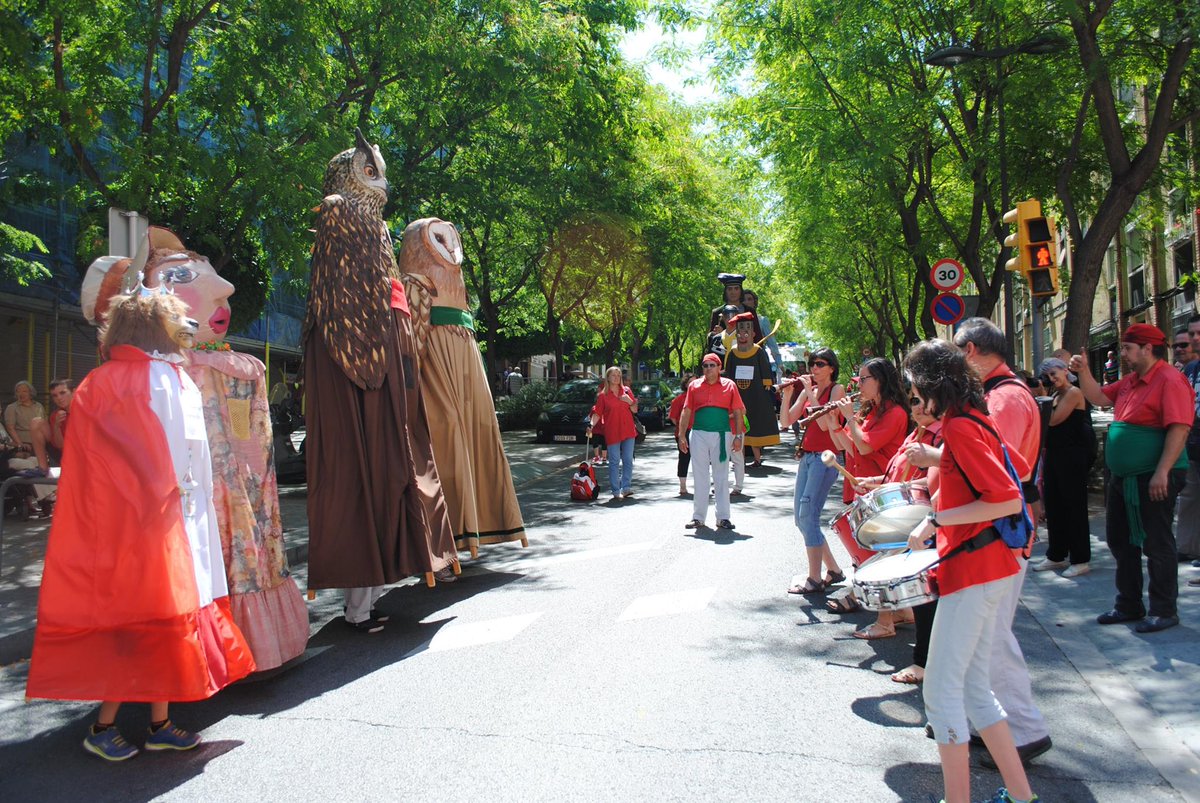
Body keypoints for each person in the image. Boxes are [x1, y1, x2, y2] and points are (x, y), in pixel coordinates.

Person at [25, 288, 256, 761]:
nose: (188, 329)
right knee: (146, 623)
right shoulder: (154, 379)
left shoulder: (112, 380)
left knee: (163, 624)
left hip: (142, 520)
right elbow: (162, 455)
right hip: (155, 522)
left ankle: (158, 722)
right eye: (178, 323)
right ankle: (106, 725)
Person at [903, 339, 1038, 803]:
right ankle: (1022, 796)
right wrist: (936, 510)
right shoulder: (977, 420)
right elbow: (1016, 470)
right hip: (993, 565)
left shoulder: (960, 427)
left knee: (941, 697)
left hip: (974, 570)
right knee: (977, 690)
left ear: (933, 385)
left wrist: (938, 519)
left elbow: (1003, 496)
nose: (914, 398)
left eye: (916, 389)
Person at [949, 317, 1051, 768]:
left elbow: (997, 468)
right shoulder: (999, 394)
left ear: (970, 351)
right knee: (985, 633)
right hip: (999, 526)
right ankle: (995, 723)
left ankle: (1024, 731)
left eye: (955, 353)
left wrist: (938, 455)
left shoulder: (1006, 397)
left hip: (1003, 529)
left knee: (990, 634)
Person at [1069, 323, 1194, 633]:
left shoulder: (1169, 380)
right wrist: (1084, 370)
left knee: (1157, 543)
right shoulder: (1131, 381)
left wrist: (1162, 471)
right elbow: (1098, 397)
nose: (1122, 354)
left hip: (1154, 475)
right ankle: (1129, 604)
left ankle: (1163, 610)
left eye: (1127, 348)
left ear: (1147, 349)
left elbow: (1179, 428)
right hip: (1126, 477)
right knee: (1121, 542)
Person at [828, 358, 911, 639]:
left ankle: (885, 621)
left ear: (881, 381)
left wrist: (849, 417)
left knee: (881, 558)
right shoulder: (872, 411)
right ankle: (900, 613)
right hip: (865, 486)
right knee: (879, 556)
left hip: (885, 490)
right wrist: (832, 424)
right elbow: (850, 448)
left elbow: (864, 446)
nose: (858, 384)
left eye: (864, 379)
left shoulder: (896, 413)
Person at [779, 347, 846, 595]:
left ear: (831, 368)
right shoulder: (810, 392)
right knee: (801, 518)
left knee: (808, 515)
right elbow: (786, 422)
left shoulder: (836, 390)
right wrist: (787, 395)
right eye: (812, 364)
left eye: (819, 364)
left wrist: (808, 391)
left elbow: (821, 422)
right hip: (807, 458)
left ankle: (815, 578)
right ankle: (834, 570)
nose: (813, 369)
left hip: (825, 459)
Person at [1032, 358, 1095, 577]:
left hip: (1072, 456)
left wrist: (1040, 401)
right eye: (1048, 375)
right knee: (1055, 505)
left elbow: (1054, 420)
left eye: (1054, 373)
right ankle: (1056, 554)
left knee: (1074, 507)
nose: (1052, 378)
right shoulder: (1055, 395)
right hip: (1055, 455)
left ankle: (1080, 559)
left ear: (1065, 370)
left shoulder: (1074, 393)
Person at [676, 353, 745, 530]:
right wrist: (682, 435)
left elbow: (738, 412)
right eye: (705, 366)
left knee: (721, 476)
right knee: (700, 476)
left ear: (719, 367)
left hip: (722, 434)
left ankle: (723, 517)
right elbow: (686, 410)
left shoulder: (730, 385)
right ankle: (698, 517)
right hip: (698, 434)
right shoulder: (694, 386)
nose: (708, 369)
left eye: (712, 365)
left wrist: (737, 436)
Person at [723, 312, 780, 470]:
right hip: (738, 395)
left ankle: (757, 458)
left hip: (756, 394)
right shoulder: (733, 352)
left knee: (755, 425)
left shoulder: (758, 351)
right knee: (737, 427)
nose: (742, 335)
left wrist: (767, 382)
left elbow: (765, 368)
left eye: (746, 332)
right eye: (739, 332)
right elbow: (729, 371)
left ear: (753, 334)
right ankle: (738, 460)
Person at [587, 366, 639, 501]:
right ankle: (616, 490)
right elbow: (597, 413)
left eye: (618, 375)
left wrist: (629, 401)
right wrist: (591, 425)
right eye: (613, 375)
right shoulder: (603, 396)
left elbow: (634, 410)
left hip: (628, 430)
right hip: (612, 431)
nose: (616, 378)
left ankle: (626, 487)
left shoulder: (626, 391)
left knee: (628, 460)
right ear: (608, 378)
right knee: (614, 461)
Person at [1176, 314, 1200, 564]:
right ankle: (1186, 547)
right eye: (1191, 333)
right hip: (1192, 445)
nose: (1194, 339)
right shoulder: (1192, 369)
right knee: (1190, 498)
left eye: (1197, 334)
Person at [741, 289, 784, 380]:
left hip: (758, 357)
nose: (747, 302)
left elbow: (771, 343)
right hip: (740, 357)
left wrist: (779, 363)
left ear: (754, 302)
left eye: (750, 299)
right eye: (744, 299)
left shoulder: (762, 320)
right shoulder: (735, 319)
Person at [669, 370, 694, 495]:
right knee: (684, 458)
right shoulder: (679, 400)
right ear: (685, 384)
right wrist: (683, 428)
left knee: (703, 460)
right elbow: (673, 418)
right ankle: (682, 486)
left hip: (700, 431)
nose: (693, 384)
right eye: (690, 382)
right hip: (684, 432)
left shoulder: (701, 398)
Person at [4, 380, 46, 452]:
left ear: (30, 393)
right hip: (24, 443)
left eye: (24, 391)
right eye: (18, 391)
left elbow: (44, 424)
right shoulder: (12, 408)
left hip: (40, 442)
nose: (21, 394)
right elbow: (10, 428)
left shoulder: (39, 406)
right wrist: (20, 444)